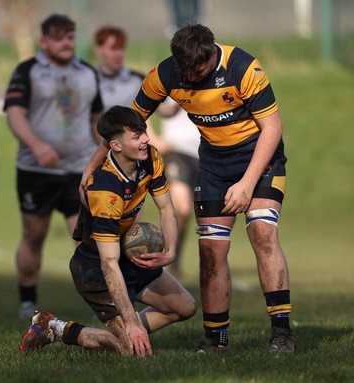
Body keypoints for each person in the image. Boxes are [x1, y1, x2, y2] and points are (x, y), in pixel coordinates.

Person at [80, 24, 297, 355]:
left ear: (211, 54)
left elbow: (273, 128)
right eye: (185, 72)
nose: (191, 78)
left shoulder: (243, 68)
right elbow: (126, 124)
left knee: (262, 233)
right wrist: (93, 165)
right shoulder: (166, 73)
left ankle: (282, 334)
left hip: (261, 161)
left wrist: (247, 184)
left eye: (198, 71)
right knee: (211, 250)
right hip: (213, 166)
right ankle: (215, 340)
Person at [19, 106, 196, 357]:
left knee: (184, 307)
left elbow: (167, 209)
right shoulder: (105, 190)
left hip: (128, 256)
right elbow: (109, 262)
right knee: (129, 350)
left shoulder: (150, 157)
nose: (146, 139)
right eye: (136, 136)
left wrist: (171, 252)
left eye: (144, 132)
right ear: (116, 146)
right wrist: (132, 324)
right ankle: (56, 328)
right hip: (95, 269)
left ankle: (127, 332)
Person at [3, 14, 103, 319]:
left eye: (70, 37)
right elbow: (15, 114)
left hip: (78, 171)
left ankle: (100, 301)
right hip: (37, 171)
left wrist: (107, 152)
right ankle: (27, 301)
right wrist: (37, 145)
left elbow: (95, 120)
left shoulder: (87, 72)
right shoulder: (28, 70)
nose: (66, 43)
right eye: (59, 38)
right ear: (44, 41)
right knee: (34, 236)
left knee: (87, 238)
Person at [147, 98, 200, 279]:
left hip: (202, 153)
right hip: (176, 152)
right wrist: (154, 139)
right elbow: (143, 108)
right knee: (183, 209)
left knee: (193, 213)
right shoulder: (169, 83)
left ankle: (173, 259)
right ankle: (166, 256)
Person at [93, 26, 145, 110]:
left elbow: (165, 110)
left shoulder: (137, 79)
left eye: (121, 48)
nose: (118, 54)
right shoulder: (87, 80)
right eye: (113, 48)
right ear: (98, 51)